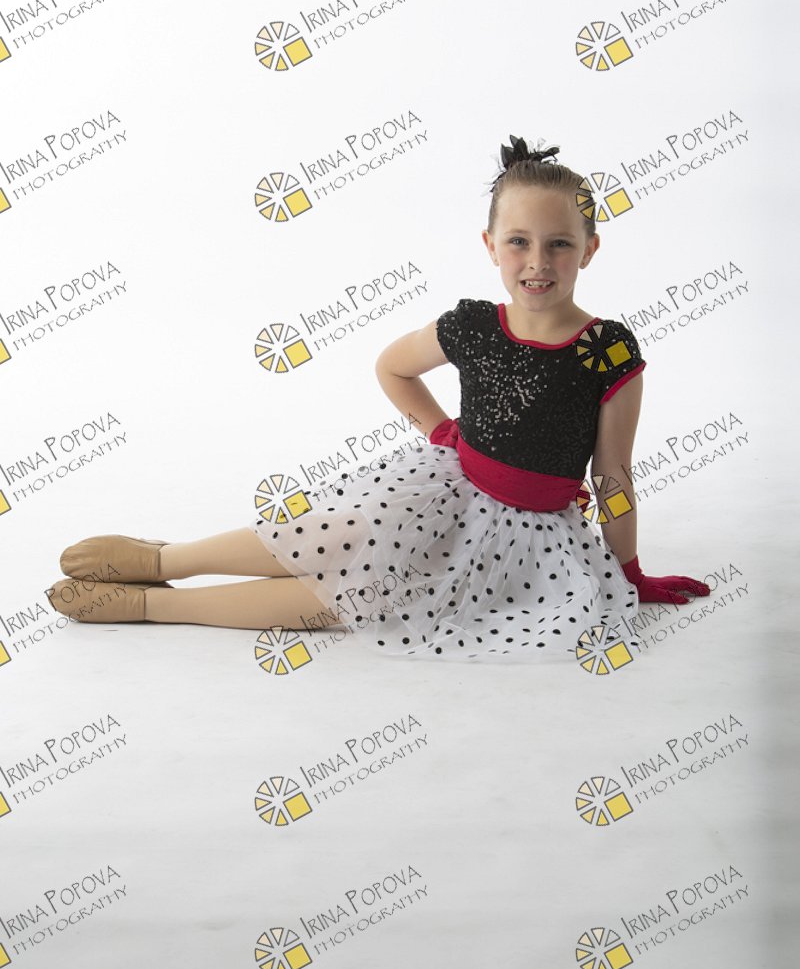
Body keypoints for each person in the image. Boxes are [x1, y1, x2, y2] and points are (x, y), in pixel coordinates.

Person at [47, 134, 710, 664]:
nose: (537, 261)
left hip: (525, 538)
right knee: (329, 537)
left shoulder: (607, 348)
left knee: (349, 602)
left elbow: (613, 474)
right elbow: (394, 368)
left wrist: (629, 571)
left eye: (559, 243)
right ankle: (162, 559)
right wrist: (442, 432)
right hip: (444, 490)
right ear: (491, 247)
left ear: (589, 250)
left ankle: (153, 605)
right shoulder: (473, 325)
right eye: (519, 242)